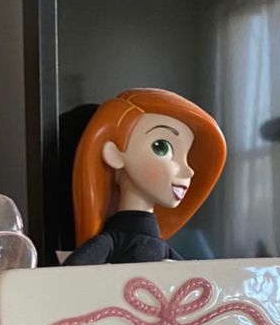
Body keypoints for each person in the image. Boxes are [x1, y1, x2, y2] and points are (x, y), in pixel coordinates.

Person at [63, 88, 226, 266]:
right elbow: (70, 277)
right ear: (114, 153)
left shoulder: (161, 247)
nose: (189, 171)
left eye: (187, 155)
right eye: (161, 147)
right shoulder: (113, 241)